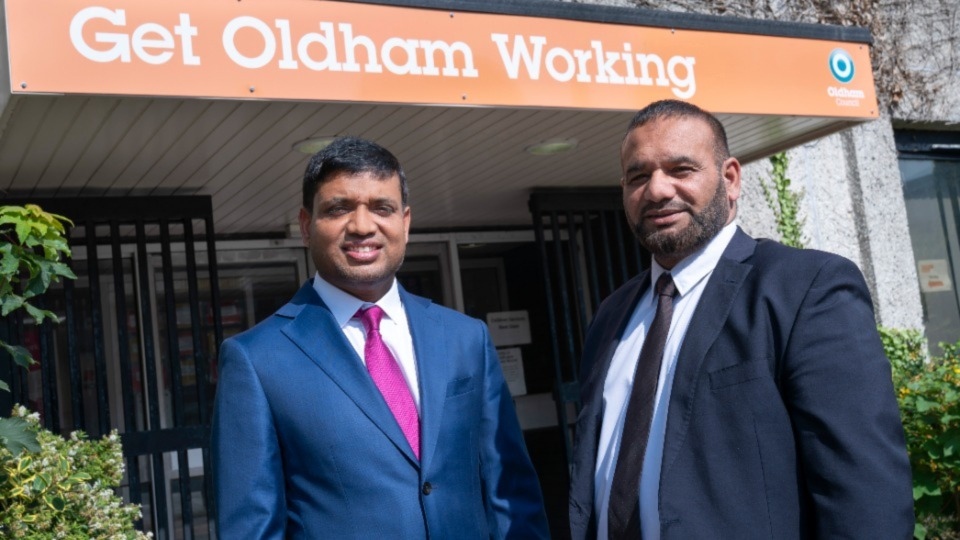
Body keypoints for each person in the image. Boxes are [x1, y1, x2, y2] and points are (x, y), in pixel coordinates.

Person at [568, 100, 914, 539]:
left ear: (729, 178)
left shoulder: (805, 290)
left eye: (681, 169)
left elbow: (867, 496)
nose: (657, 190)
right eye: (638, 176)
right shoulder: (611, 316)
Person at [211, 136, 549, 539]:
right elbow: (251, 528)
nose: (362, 226)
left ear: (404, 222)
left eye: (381, 208)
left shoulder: (465, 338)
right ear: (306, 225)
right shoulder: (256, 359)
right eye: (338, 209)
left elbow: (510, 492)